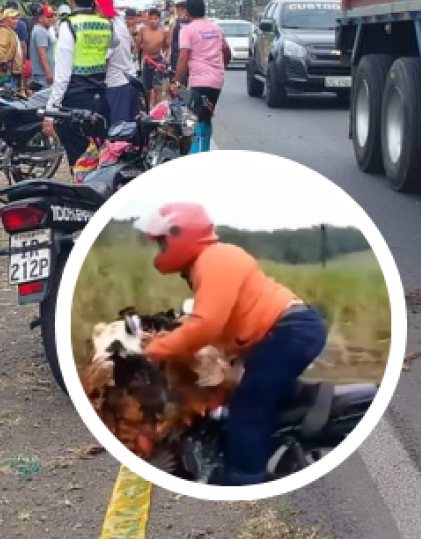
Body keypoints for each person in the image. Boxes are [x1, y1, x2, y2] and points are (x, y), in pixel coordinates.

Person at [134, 203, 328, 486]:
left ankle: (245, 477)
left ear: (181, 235)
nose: (160, 250)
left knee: (248, 406)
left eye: (163, 242)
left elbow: (205, 324)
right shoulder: (207, 263)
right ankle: (287, 421)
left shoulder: (214, 259)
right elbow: (220, 323)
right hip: (282, 332)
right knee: (244, 391)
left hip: (289, 331)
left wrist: (155, 350)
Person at [43, 0, 119, 167]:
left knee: (79, 164)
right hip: (100, 102)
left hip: (74, 106)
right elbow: (114, 44)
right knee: (98, 161)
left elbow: (62, 77)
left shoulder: (68, 26)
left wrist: (50, 113)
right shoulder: (106, 24)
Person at [177, 0, 231, 154]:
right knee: (206, 116)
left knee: (193, 120)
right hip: (216, 81)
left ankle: (196, 158)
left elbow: (183, 58)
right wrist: (220, 68)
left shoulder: (187, 30)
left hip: (199, 81)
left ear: (187, 11)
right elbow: (227, 52)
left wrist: (176, 82)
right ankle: (204, 151)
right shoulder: (216, 28)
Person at [96, 0, 141, 125]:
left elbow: (104, 61)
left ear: (99, 8)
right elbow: (132, 46)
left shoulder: (108, 27)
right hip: (129, 80)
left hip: (117, 84)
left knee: (118, 132)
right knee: (129, 130)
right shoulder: (119, 23)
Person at [137, 8, 170, 106]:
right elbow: (137, 45)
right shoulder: (143, 30)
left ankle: (157, 109)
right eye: (151, 18)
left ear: (159, 19)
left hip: (158, 61)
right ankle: (147, 108)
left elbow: (166, 47)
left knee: (158, 88)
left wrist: (165, 58)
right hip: (146, 61)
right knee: (147, 89)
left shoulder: (163, 32)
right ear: (148, 19)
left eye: (155, 19)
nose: (153, 21)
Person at [0, 8, 25, 89]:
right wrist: (3, 63)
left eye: (17, 18)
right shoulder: (2, 32)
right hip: (6, 72)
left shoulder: (10, 31)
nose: (16, 21)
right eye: (13, 18)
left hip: (12, 71)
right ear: (5, 19)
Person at [29, 4, 56, 88]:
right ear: (40, 18)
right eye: (48, 17)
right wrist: (48, 72)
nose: (51, 19)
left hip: (42, 74)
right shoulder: (41, 31)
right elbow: (42, 52)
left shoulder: (41, 30)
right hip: (43, 75)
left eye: (52, 16)